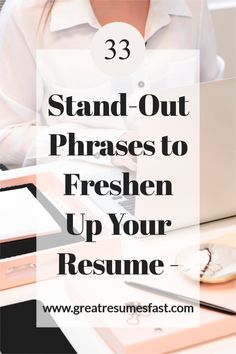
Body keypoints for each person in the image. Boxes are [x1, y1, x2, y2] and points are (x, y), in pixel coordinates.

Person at [0, 0, 220, 169]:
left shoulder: (192, 5)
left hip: (182, 190)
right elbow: (7, 136)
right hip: (76, 200)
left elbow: (213, 110)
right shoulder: (26, 12)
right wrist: (111, 145)